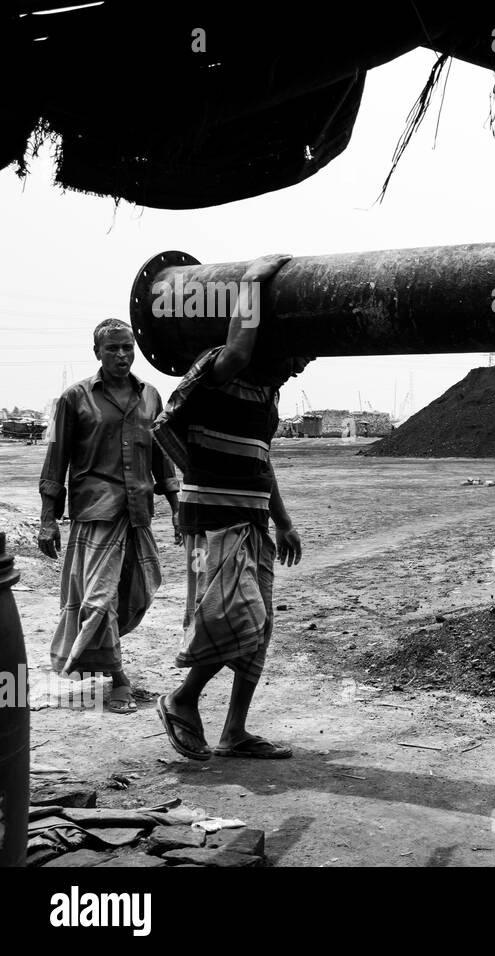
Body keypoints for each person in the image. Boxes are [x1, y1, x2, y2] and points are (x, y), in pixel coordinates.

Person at [152, 253, 310, 761]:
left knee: (259, 628)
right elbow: (241, 349)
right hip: (214, 517)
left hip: (252, 520)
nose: (300, 364)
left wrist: (283, 522)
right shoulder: (218, 367)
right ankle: (182, 698)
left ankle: (234, 732)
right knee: (236, 617)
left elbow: (260, 462)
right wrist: (251, 281)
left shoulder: (266, 398)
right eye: (295, 355)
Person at [37, 319, 180, 714]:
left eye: (128, 347)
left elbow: (161, 454)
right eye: (113, 348)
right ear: (97, 352)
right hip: (96, 512)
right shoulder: (75, 398)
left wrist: (176, 504)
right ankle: (118, 678)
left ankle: (96, 656)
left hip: (138, 513)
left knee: (138, 590)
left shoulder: (150, 395)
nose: (122, 355)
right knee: (100, 599)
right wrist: (48, 519)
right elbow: (56, 459)